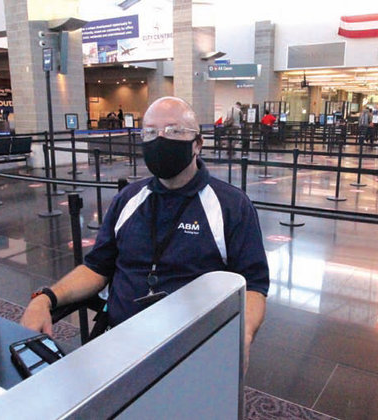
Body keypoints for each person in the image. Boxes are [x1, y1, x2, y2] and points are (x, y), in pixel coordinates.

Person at [21, 96, 269, 371]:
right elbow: (96, 267)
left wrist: (241, 335)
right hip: (121, 341)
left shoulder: (230, 205)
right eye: (150, 132)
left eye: (174, 131)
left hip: (191, 350)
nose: (159, 140)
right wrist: (45, 297)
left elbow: (253, 285)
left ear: (197, 144)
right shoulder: (128, 199)